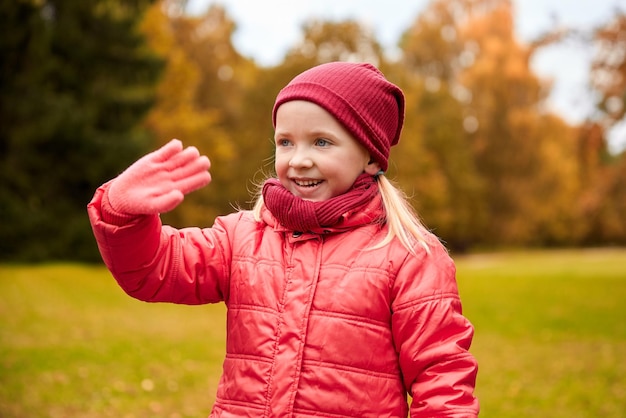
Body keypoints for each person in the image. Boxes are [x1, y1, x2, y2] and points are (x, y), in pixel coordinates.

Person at [88, 61, 479, 417]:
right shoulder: (243, 238)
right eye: (285, 141)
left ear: (371, 157)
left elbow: (442, 378)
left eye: (321, 142)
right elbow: (156, 269)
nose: (298, 159)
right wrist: (122, 214)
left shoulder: (408, 255)